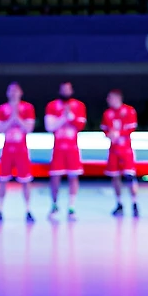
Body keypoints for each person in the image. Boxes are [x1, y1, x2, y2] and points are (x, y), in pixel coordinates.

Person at [0, 82, 36, 223]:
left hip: (21, 150)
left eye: (16, 90)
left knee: (25, 180)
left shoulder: (28, 108)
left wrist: (18, 118)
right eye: (10, 90)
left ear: (20, 92)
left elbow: (28, 128)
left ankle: (28, 210)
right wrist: (11, 119)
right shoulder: (2, 109)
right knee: (3, 179)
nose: (13, 93)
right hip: (7, 149)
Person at [45, 81, 86, 220]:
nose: (65, 91)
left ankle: (71, 207)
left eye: (68, 89)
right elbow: (50, 126)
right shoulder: (52, 106)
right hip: (58, 149)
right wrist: (63, 117)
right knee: (55, 177)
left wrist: (71, 117)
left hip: (72, 149)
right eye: (63, 89)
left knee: (73, 177)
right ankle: (54, 205)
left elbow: (80, 125)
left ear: (71, 90)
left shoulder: (79, 106)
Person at [100, 89, 139, 217]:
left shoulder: (129, 110)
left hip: (126, 150)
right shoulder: (107, 113)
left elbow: (131, 128)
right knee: (114, 177)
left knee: (129, 177)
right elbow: (105, 130)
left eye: (110, 97)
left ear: (117, 98)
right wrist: (109, 135)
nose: (108, 100)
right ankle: (119, 204)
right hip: (113, 150)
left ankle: (134, 203)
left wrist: (119, 134)